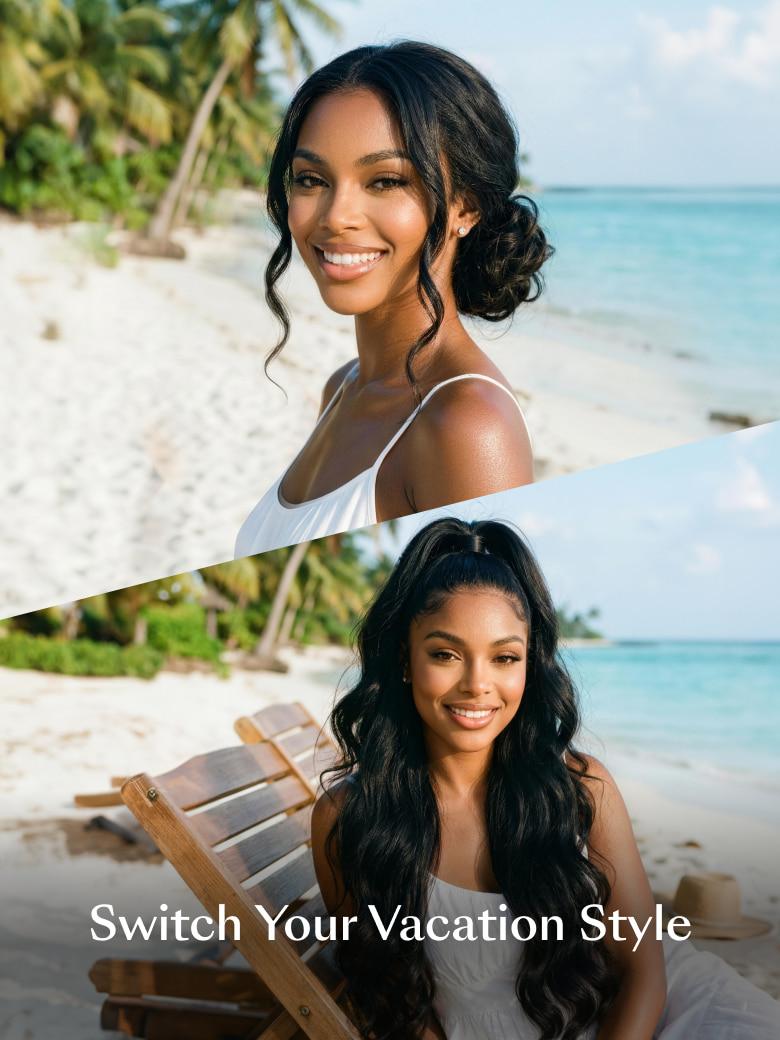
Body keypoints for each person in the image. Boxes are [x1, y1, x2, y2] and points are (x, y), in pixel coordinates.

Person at [311, 517, 780, 1039]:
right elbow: (389, 997)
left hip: (654, 1015)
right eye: (445, 654)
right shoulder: (351, 816)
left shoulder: (581, 789)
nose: (477, 685)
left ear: (528, 665)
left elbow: (646, 972)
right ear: (405, 659)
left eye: (504, 657)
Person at [235, 43, 550, 558]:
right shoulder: (343, 386)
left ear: (464, 207)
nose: (337, 215)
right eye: (312, 180)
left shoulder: (469, 424)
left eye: (385, 181)